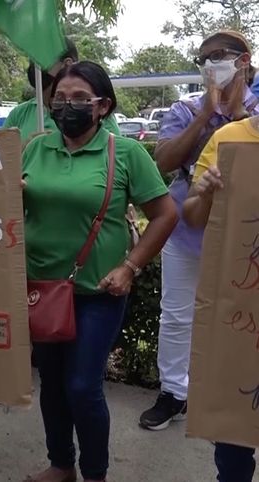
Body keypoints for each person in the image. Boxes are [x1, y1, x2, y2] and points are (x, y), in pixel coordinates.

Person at [22, 61, 177, 482]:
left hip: (99, 293)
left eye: (78, 99)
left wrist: (130, 266)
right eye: (60, 99)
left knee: (81, 386)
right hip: (42, 289)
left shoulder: (124, 153)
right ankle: (60, 465)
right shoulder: (35, 148)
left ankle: (94, 474)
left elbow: (165, 215)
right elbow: (12, 213)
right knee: (51, 385)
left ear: (103, 106)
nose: (66, 106)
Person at [140, 30, 259, 431]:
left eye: (219, 55)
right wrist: (208, 113)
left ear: (244, 61)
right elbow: (163, 160)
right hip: (186, 230)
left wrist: (239, 117)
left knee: (240, 314)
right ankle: (174, 393)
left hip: (243, 237)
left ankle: (232, 393)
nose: (209, 64)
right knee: (176, 316)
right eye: (202, 58)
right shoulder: (185, 108)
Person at [182, 115, 259, 482]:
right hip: (241, 310)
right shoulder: (230, 138)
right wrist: (207, 191)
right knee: (233, 431)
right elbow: (193, 216)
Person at [3, 37, 121, 145]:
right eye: (33, 60)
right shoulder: (19, 114)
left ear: (67, 64)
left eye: (41, 59)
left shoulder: (96, 113)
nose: (35, 66)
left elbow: (114, 156)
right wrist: (27, 152)